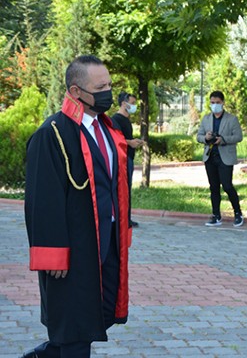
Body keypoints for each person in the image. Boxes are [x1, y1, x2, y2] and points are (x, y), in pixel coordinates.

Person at [22, 55, 132, 358]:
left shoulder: (109, 132)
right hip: (72, 250)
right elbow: (42, 201)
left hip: (105, 243)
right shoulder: (52, 134)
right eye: (100, 87)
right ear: (75, 91)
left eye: (109, 84)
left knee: (95, 318)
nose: (108, 92)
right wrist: (52, 255)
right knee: (74, 326)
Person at [196, 90, 245, 227]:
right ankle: (216, 215)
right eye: (212, 103)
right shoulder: (206, 118)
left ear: (223, 103)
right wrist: (206, 138)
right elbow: (198, 136)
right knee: (214, 187)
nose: (215, 105)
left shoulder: (232, 119)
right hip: (210, 156)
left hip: (225, 157)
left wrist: (223, 140)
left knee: (227, 185)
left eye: (217, 103)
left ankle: (238, 213)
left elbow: (238, 137)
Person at [111, 91, 143, 228]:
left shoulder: (126, 120)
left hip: (129, 157)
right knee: (122, 189)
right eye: (132, 103)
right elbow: (115, 139)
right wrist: (130, 142)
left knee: (127, 189)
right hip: (121, 159)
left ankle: (127, 218)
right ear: (124, 103)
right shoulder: (116, 119)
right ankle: (122, 219)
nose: (134, 106)